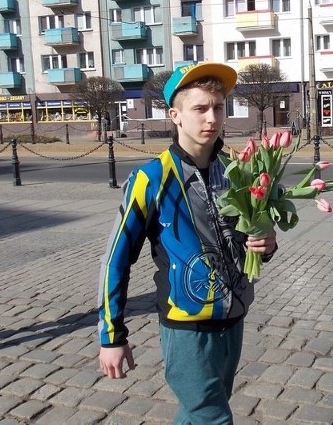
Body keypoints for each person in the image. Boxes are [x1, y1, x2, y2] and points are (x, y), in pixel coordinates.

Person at [97, 62, 278, 424]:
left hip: (234, 316)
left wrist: (267, 244)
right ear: (175, 115)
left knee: (199, 413)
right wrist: (111, 336)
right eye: (199, 108)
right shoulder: (151, 178)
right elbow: (116, 259)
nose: (212, 117)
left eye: (219, 107)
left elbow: (249, 242)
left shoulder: (237, 170)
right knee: (212, 417)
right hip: (187, 324)